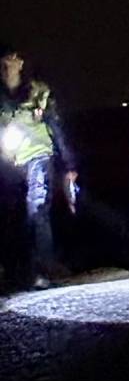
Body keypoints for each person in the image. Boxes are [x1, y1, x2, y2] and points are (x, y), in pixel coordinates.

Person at [0, 45, 77, 290]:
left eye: (15, 58)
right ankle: (20, 271)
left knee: (37, 209)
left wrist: (69, 162)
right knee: (15, 216)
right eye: (6, 58)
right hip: (11, 162)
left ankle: (45, 268)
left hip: (38, 155)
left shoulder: (38, 91)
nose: (11, 62)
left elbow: (55, 124)